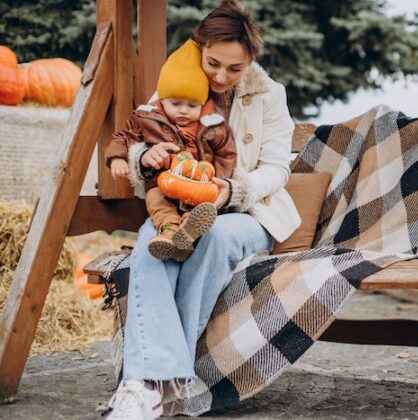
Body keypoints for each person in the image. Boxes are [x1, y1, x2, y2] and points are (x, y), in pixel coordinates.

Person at [105, 1, 301, 419]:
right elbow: (139, 137)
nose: (221, 76)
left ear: (250, 61)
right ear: (200, 47)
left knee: (212, 236)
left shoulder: (270, 96)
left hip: (248, 213)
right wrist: (144, 157)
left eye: (235, 68)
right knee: (153, 246)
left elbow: (278, 168)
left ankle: (148, 381)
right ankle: (150, 385)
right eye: (214, 63)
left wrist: (230, 191)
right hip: (177, 207)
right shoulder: (176, 84)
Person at [105, 39, 237, 262]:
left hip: (199, 182)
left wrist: (219, 179)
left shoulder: (213, 125)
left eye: (192, 105)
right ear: (163, 100)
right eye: (176, 104)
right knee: (157, 201)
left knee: (200, 205)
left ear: (202, 103)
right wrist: (117, 157)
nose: (184, 111)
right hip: (161, 182)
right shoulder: (147, 118)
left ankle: (189, 228)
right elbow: (123, 137)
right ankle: (168, 231)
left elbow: (227, 153)